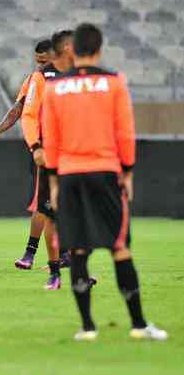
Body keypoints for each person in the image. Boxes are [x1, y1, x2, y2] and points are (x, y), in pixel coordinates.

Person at [43, 23, 167, 341]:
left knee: (79, 249)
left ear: (72, 51)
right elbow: (125, 132)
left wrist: (54, 181)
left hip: (69, 174)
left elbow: (52, 139)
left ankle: (87, 328)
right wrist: (127, 171)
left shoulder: (55, 89)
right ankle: (139, 325)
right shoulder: (114, 83)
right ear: (98, 49)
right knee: (120, 247)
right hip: (105, 172)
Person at [0, 39, 53, 270]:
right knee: (44, 203)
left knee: (65, 204)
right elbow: (20, 109)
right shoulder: (37, 79)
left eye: (45, 61)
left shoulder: (73, 79)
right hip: (42, 150)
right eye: (38, 61)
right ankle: (31, 253)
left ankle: (67, 258)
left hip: (71, 150)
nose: (41, 65)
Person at [20, 30, 74, 289]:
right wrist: (36, 146)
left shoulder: (86, 76)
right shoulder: (40, 77)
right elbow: (26, 113)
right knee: (47, 210)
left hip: (81, 155)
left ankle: (76, 266)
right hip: (50, 154)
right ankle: (54, 272)